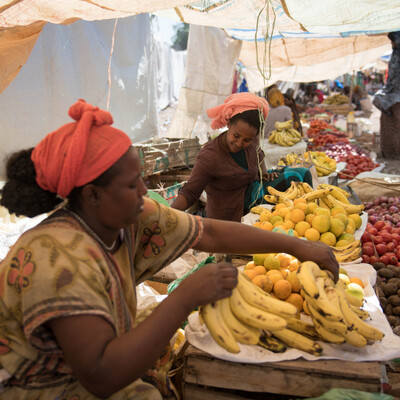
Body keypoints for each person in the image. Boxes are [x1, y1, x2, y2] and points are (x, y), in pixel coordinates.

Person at [0, 99, 338, 399]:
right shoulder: (56, 260)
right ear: (91, 195)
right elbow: (100, 376)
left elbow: (209, 232)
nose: (145, 190)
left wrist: (298, 246)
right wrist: (184, 298)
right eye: (133, 184)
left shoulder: (130, 215)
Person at [171, 93, 312, 222]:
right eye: (236, 136)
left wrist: (263, 172)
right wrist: (167, 214)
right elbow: (190, 193)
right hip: (229, 213)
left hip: (252, 190)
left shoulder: (253, 140)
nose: (239, 143)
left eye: (247, 140)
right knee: (293, 177)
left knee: (303, 173)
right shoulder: (210, 156)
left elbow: (259, 153)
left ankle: (308, 217)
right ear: (228, 124)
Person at [373, 31, 400, 159]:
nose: (392, 44)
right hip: (392, 98)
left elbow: (394, 79)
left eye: (393, 41)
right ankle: (390, 153)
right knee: (389, 127)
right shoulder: (395, 55)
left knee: (394, 128)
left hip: (396, 100)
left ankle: (394, 154)